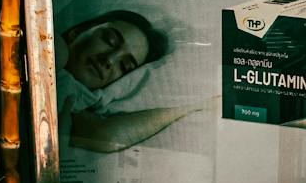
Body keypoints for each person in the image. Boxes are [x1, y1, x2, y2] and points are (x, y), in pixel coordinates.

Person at [58, 11, 204, 154]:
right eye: (110, 40)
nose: (109, 59)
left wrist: (192, 106)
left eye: (125, 66)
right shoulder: (55, 50)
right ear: (77, 32)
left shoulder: (79, 106)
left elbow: (107, 134)